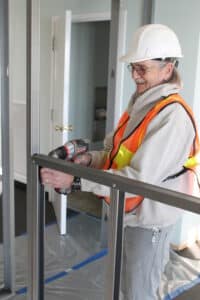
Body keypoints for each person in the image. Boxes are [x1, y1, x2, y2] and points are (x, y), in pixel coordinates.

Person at [41, 24, 200, 300]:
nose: (136, 76)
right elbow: (115, 155)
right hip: (126, 215)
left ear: (168, 69)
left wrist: (76, 180)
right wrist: (91, 159)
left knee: (140, 292)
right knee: (123, 287)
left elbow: (137, 179)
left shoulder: (171, 117)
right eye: (133, 68)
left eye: (143, 69)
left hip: (148, 223)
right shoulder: (139, 105)